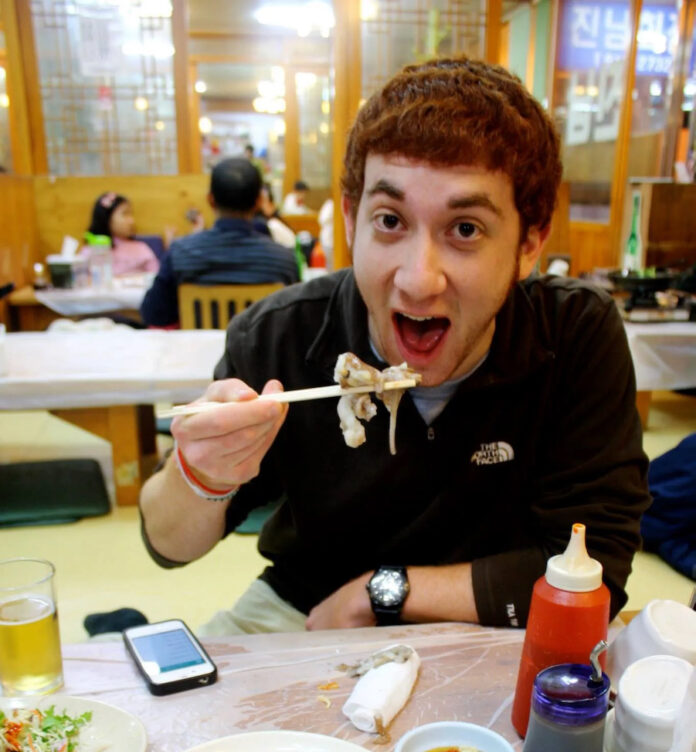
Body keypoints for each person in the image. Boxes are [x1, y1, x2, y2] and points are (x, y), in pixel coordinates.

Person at [139, 55, 650, 635]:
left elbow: (595, 571)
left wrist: (382, 593)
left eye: (465, 229)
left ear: (530, 243)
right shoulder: (283, 334)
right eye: (389, 221)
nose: (417, 278)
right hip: (306, 607)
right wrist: (200, 474)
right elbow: (167, 546)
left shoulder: (574, 334)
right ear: (353, 220)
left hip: (491, 622)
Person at [139, 158, 299, 328]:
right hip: (259, 353)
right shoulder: (284, 259)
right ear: (259, 201)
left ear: (210, 200)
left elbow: (153, 314)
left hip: (197, 353)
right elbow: (294, 321)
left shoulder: (180, 253)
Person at [84, 193, 160, 275]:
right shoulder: (91, 252)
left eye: (131, 214)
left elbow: (158, 278)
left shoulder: (141, 248)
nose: (131, 221)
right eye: (125, 214)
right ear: (106, 218)